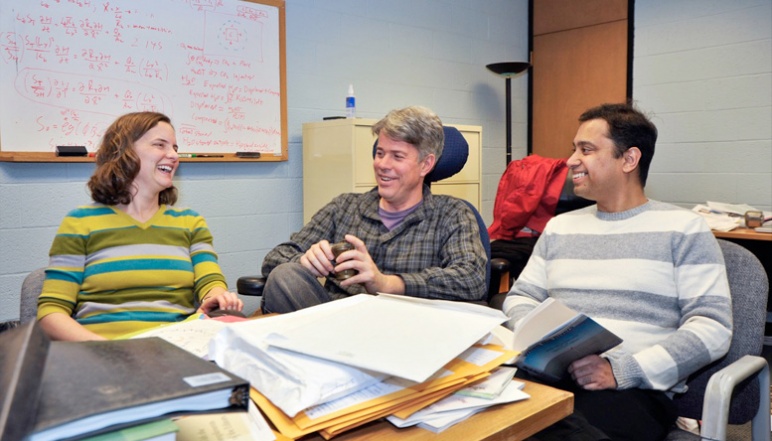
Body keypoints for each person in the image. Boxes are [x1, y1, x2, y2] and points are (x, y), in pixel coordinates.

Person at [503, 103, 732, 441]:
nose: (570, 161)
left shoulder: (684, 229)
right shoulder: (560, 227)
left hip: (630, 391)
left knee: (545, 430)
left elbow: (713, 327)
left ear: (629, 160)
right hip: (548, 374)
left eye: (587, 149)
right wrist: (541, 339)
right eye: (573, 149)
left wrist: (621, 371)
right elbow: (521, 296)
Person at [37, 112, 243, 341]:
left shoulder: (190, 222)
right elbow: (51, 313)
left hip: (176, 348)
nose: (174, 155)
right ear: (125, 153)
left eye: (175, 147)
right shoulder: (80, 223)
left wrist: (215, 298)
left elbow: (210, 282)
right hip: (104, 354)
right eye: (160, 145)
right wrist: (107, 349)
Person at [261, 105, 487, 313]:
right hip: (338, 323)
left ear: (426, 164)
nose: (382, 165)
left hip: (410, 326)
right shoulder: (344, 207)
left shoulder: (452, 214)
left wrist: (387, 283)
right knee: (285, 275)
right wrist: (306, 261)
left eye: (397, 156)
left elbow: (472, 279)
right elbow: (275, 258)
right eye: (380, 153)